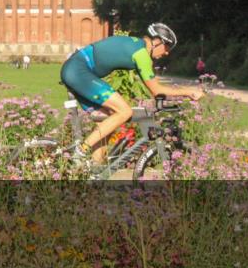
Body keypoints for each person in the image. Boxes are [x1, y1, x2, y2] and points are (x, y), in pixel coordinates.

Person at [61, 23, 204, 164]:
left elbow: (154, 83)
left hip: (76, 69)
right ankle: (81, 151)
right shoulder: (141, 54)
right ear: (157, 42)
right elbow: (156, 90)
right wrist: (189, 92)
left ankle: (93, 168)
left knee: (112, 117)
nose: (167, 53)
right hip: (78, 71)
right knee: (125, 112)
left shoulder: (138, 46)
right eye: (167, 48)